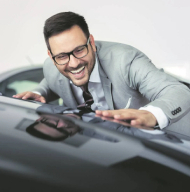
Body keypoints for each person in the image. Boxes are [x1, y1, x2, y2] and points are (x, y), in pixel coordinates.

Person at [13, 12, 190, 129]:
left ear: (91, 42)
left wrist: (150, 114)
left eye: (79, 50)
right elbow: (51, 83)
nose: (73, 63)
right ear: (52, 57)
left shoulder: (125, 60)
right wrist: (39, 92)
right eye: (62, 57)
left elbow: (179, 92)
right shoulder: (51, 67)